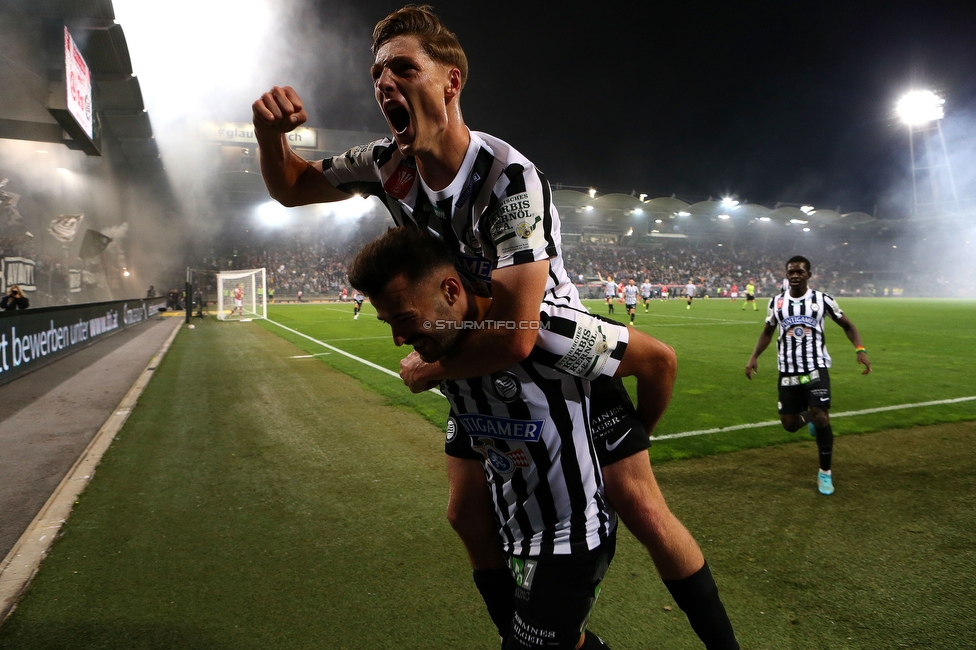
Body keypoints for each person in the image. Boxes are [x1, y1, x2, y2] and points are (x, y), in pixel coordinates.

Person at [254, 6, 737, 648]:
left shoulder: (507, 178)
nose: (384, 83)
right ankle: (535, 636)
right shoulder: (385, 164)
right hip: (470, 360)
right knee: (465, 513)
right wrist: (269, 138)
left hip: (557, 361)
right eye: (377, 73)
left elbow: (517, 331)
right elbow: (293, 189)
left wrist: (431, 367)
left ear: (451, 82)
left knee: (644, 509)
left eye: (404, 67)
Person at [349, 227, 684, 649]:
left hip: (572, 535)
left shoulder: (547, 332)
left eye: (404, 319)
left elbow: (659, 359)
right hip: (513, 528)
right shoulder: (441, 351)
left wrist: (634, 439)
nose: (398, 338)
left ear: (451, 289)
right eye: (389, 323)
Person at [745, 255, 871, 495]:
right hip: (788, 370)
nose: (794, 275)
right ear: (786, 274)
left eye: (800, 272)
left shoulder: (822, 300)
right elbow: (767, 331)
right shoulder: (776, 303)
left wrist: (860, 349)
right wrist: (754, 357)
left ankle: (825, 473)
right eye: (791, 271)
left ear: (809, 275)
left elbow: (848, 325)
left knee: (822, 416)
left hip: (816, 367)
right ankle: (809, 418)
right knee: (789, 424)